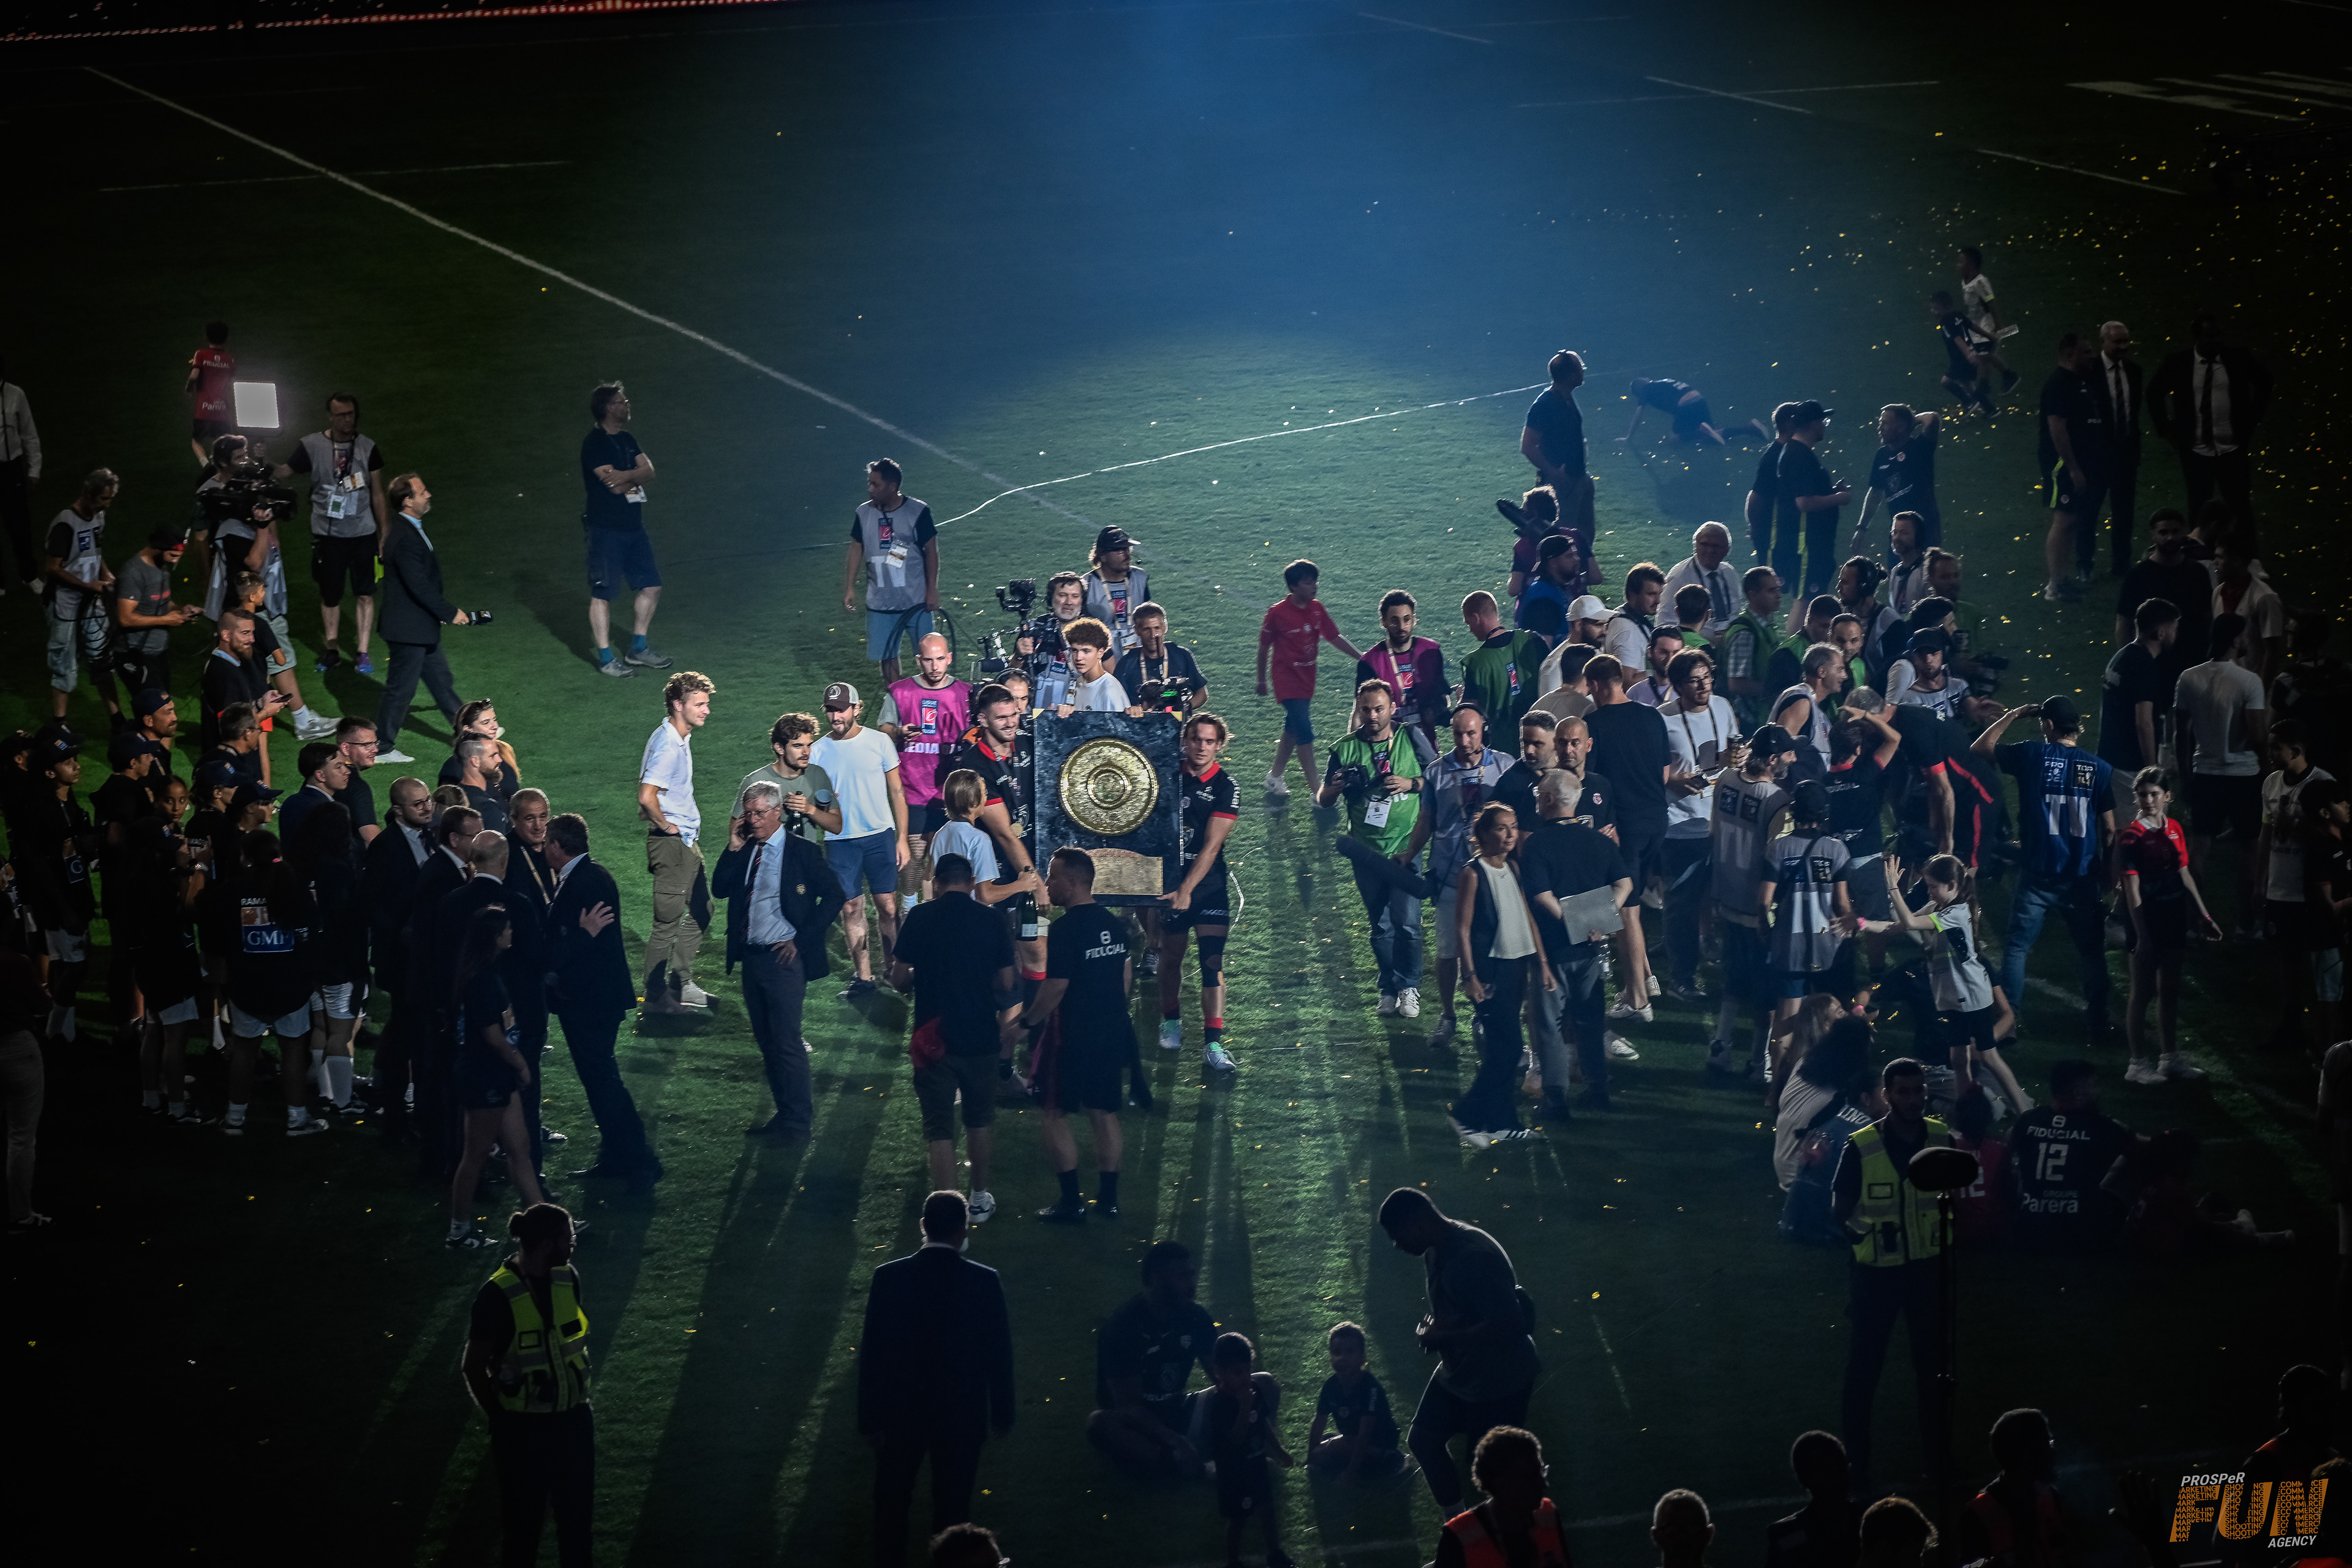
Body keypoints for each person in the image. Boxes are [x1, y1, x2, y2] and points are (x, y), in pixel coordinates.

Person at [858, 1189, 1017, 1568]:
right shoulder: (984, 1282)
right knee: (953, 1504)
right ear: (963, 1231)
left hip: (901, 1411)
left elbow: (874, 1354)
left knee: (892, 1500)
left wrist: (869, 1418)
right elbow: (999, 1353)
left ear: (923, 1226)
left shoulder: (889, 1277)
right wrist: (1003, 1412)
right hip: (961, 1412)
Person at [1829, 1057, 1952, 1501]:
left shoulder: (1941, 1139)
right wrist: (1868, 1241)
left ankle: (1936, 1465)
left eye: (1919, 1092)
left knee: (1934, 1376)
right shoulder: (1860, 1146)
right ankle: (1857, 1467)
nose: (1914, 1100)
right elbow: (1840, 1210)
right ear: (1887, 1095)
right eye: (1904, 1092)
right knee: (1863, 1375)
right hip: (1878, 1276)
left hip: (1925, 1272)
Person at [1375, 1187, 1539, 1519]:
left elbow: (1511, 1324)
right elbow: (1463, 1310)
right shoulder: (1437, 1249)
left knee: (1490, 1475)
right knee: (1423, 1441)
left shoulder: (1471, 1258)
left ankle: (1502, 1545)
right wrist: (1436, 1332)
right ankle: (1463, 1538)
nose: (1397, 1245)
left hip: (1498, 1381)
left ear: (1418, 1222)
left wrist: (1446, 1337)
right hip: (1461, 1373)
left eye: (1398, 1235)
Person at [460, 1203, 594, 1567]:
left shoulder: (568, 1278)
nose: (573, 1245)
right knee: (523, 1529)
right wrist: (500, 1418)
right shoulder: (496, 1296)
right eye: (569, 1238)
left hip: (574, 1420)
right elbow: (472, 1366)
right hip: (523, 1431)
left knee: (578, 1525)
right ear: (549, 1243)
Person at [713, 777, 846, 1142]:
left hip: (782, 961)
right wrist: (732, 846)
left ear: (777, 812)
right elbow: (720, 889)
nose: (752, 820)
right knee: (767, 1041)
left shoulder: (802, 852)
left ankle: (799, 1123)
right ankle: (785, 1115)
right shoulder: (747, 850)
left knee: (786, 1041)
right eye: (748, 813)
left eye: (758, 813)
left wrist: (801, 941)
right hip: (751, 958)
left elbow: (834, 895)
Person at [892, 848, 1023, 1210]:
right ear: (970, 883)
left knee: (939, 1128)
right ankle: (980, 1198)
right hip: (980, 1036)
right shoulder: (992, 921)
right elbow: (1006, 982)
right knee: (980, 1119)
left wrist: (927, 973)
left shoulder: (919, 917)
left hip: (933, 1038)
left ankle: (949, 1213)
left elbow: (900, 979)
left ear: (936, 883)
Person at [1977, 696, 2116, 1036]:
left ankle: (2009, 1021)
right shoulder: (2099, 768)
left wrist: (2012, 714)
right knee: (2092, 952)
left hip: (2038, 873)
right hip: (2082, 876)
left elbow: (1982, 747)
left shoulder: (2032, 755)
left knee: (2018, 947)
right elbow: (2111, 827)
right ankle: (2099, 1018)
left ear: (2049, 726)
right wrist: (2109, 871)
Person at [1012, 848, 1131, 1223]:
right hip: (1111, 1030)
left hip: (1073, 1036)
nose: (1048, 884)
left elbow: (1054, 990)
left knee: (1053, 1111)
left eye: (1052, 877)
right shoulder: (1115, 925)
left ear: (1073, 882)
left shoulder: (1064, 931)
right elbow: (1125, 978)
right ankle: (1108, 1201)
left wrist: (1027, 1024)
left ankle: (1071, 1201)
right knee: (1104, 1112)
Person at [544, 812, 661, 1190]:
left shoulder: (585, 882)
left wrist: (571, 940)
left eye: (547, 842)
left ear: (558, 847)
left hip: (590, 1002)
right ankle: (618, 1156)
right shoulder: (591, 874)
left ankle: (638, 1158)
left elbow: (586, 946)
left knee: (603, 1081)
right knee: (601, 1080)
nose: (543, 848)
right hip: (594, 999)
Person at [1876, 854, 2032, 1114]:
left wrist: (1893, 888)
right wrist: (1859, 924)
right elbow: (1899, 926)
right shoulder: (1937, 909)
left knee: (1989, 1056)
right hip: (1953, 999)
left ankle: (2024, 1110)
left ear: (1951, 885)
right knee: (1959, 1060)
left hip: (1972, 997)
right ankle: (1966, 1112)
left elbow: (1911, 923)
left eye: (1932, 886)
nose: (1929, 892)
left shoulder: (1955, 912)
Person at [202, 826, 331, 1138]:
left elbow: (210, 927)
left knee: (244, 1050)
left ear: (246, 859)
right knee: (292, 1051)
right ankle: (297, 1120)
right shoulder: (293, 884)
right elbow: (312, 931)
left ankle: (234, 1120)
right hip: (290, 987)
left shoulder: (232, 890)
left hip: (247, 987)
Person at [1523, 770, 1634, 1117]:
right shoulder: (1599, 841)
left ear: (1551, 800)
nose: (1537, 800)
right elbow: (1625, 886)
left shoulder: (1537, 844)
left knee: (1551, 1027)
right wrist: (1596, 921)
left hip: (1553, 951)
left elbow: (1542, 896)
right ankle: (1599, 1090)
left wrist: (1575, 922)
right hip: (1591, 951)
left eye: (1540, 794)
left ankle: (1556, 1100)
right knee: (1590, 1022)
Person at [1319, 680, 1431, 1019]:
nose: (1372, 715)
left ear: (1392, 708)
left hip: (1405, 847)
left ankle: (1409, 985)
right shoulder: (1345, 749)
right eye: (1366, 709)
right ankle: (1388, 987)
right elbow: (1323, 800)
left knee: (1408, 922)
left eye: (1379, 708)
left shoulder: (1412, 737)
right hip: (1366, 851)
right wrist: (1335, 788)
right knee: (1380, 925)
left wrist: (1411, 784)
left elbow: (1439, 779)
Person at [1400, 704, 1509, 1047]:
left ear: (1483, 730)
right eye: (1458, 734)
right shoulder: (1436, 772)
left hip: (1494, 876)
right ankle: (1448, 1016)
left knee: (1492, 950)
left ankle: (1484, 1015)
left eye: (1471, 733)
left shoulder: (1505, 767)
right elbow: (1426, 822)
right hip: (1450, 874)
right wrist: (1409, 854)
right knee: (1448, 951)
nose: (1464, 740)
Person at [1447, 804, 1553, 1146]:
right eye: (1501, 829)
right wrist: (1470, 976)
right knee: (1505, 1050)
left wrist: (1543, 962)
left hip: (1517, 965)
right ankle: (1466, 1115)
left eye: (1513, 827)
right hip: (1492, 969)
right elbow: (1462, 929)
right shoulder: (1473, 874)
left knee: (1506, 1050)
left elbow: (1527, 917)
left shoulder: (1514, 869)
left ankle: (1501, 1122)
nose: (1510, 835)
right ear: (1482, 835)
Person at [445, 905, 550, 1245]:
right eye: (506, 929)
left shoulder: (486, 969)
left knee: (520, 1149)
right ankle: (458, 1231)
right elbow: (492, 1036)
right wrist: (520, 1063)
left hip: (497, 1075)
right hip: (485, 1076)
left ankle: (539, 1221)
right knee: (475, 1155)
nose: (511, 933)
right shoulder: (482, 979)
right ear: (494, 937)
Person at [1149, 713, 1242, 1071]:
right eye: (1196, 740)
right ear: (1185, 741)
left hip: (1207, 888)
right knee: (1171, 957)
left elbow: (1211, 847)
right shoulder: (1166, 776)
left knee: (1212, 963)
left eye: (1209, 741)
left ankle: (1214, 1045)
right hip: (1170, 884)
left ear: (1219, 745)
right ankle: (1171, 1020)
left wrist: (1187, 889)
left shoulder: (1226, 787)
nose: (1202, 747)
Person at [1086, 1240, 1226, 1476]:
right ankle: (1187, 1466)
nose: (1192, 1286)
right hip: (1140, 1428)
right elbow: (1129, 1407)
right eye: (1182, 1277)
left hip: (1178, 1410)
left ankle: (1226, 1455)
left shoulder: (1196, 1317)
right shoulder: (1124, 1326)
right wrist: (1176, 1441)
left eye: (1192, 1275)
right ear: (1156, 1279)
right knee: (1099, 1423)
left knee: (1263, 1384)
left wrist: (1243, 1402)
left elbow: (1223, 1378)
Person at [274, 393, 386, 672]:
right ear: (330, 416)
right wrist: (262, 461)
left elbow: (378, 494)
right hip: (328, 534)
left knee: (365, 594)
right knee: (330, 594)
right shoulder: (312, 445)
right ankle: (332, 648)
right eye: (340, 415)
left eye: (350, 414)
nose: (346, 420)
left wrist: (385, 534)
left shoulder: (368, 448)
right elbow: (285, 471)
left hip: (363, 534)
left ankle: (362, 652)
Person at [813, 681, 911, 1000]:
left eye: (841, 709)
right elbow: (818, 798)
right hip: (840, 841)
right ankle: (864, 978)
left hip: (879, 836)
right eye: (830, 710)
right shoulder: (818, 750)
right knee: (851, 906)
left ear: (857, 708)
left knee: (887, 906)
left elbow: (897, 791)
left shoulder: (880, 742)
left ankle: (895, 970)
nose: (835, 716)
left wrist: (903, 839)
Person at [1711, 726, 1798, 1077]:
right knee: (1765, 991)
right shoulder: (1778, 801)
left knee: (1733, 980)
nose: (1793, 759)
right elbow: (1775, 860)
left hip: (1726, 896)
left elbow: (1716, 831)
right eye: (1789, 754)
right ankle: (1757, 1060)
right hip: (1757, 907)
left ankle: (1720, 1046)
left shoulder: (1727, 779)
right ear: (1774, 759)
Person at [2173, 613, 2267, 929]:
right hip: (2244, 776)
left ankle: (2196, 921)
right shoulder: (2250, 681)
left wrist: (2186, 775)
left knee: (2200, 847)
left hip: (2206, 773)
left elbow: (2181, 733)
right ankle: (2247, 924)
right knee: (2250, 848)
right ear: (2236, 640)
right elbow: (2256, 735)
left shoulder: (2189, 678)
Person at [1660, 650, 1743, 995]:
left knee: (1726, 899)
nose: (1704, 685)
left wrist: (1737, 758)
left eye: (1707, 676)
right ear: (1678, 686)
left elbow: (1737, 749)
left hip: (1719, 821)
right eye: (1695, 680)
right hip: (1680, 827)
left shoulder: (1722, 706)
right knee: (1682, 905)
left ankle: (1725, 962)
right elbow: (1654, 771)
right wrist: (1675, 782)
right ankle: (1682, 977)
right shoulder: (1662, 720)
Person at [374, 474, 470, 765]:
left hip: (416, 625)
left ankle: (467, 732)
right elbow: (418, 584)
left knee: (440, 680)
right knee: (401, 690)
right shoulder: (404, 535)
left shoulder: (408, 529)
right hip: (408, 629)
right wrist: (448, 611)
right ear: (408, 501)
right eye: (422, 492)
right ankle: (381, 748)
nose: (428, 495)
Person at [636, 670, 715, 1016]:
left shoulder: (674, 736)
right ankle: (656, 999)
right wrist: (666, 826)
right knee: (667, 923)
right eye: (699, 704)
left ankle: (680, 981)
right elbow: (646, 795)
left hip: (683, 839)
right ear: (677, 705)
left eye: (706, 703)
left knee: (703, 907)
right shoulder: (669, 745)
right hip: (673, 843)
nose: (706, 710)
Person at [581, 381, 669, 677]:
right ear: (608, 408)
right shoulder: (594, 444)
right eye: (621, 401)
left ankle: (637, 649)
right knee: (603, 593)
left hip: (633, 527)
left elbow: (651, 473)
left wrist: (626, 476)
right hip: (606, 529)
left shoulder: (628, 439)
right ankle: (606, 658)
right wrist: (635, 477)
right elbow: (613, 487)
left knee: (652, 585)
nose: (627, 405)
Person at [2149, 312, 2273, 524]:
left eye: (2218, 336)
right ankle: (2199, 556)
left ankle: (2248, 556)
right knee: (2198, 507)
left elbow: (2265, 381)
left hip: (2231, 448)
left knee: (2241, 507)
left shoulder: (2237, 358)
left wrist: (2252, 419)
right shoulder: (2179, 363)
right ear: (2196, 338)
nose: (2216, 341)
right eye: (2210, 337)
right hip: (2196, 450)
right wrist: (2167, 430)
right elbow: (2154, 392)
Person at [2008, 1059, 2142, 1253]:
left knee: (2013, 1167)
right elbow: (2146, 1147)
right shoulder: (2100, 1127)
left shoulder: (2028, 1121)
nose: (2098, 1092)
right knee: (2134, 1162)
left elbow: (2008, 1143)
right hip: (2081, 1235)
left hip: (2029, 1232)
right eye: (2094, 1085)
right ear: (2078, 1093)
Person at [879, 632, 972, 905]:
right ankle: (909, 905)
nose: (935, 666)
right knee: (915, 852)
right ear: (918, 660)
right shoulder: (901, 691)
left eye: (940, 659)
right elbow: (883, 728)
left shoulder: (965, 694)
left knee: (946, 854)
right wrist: (897, 731)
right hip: (913, 789)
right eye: (928, 660)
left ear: (950, 658)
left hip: (951, 791)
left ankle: (940, 907)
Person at [2258, 721, 2336, 1047]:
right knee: (2287, 959)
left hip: (2311, 888)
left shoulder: (2324, 784)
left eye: (2277, 747)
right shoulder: (2271, 784)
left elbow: (2336, 837)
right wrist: (2259, 879)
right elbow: (2265, 831)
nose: (2271, 753)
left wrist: (2300, 825)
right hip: (2280, 887)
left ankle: (2326, 1033)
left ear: (2296, 750)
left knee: (2320, 962)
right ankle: (2291, 1023)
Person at [1257, 559, 1361, 798]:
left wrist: (1361, 657)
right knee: (1305, 732)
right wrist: (1262, 680)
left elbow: (1334, 637)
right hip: (1287, 680)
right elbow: (1264, 647)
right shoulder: (1277, 613)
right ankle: (1318, 792)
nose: (1314, 586)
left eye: (1315, 581)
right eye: (1308, 582)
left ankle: (1274, 777)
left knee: (1293, 727)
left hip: (1307, 679)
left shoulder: (1317, 609)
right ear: (1294, 586)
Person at [1761, 780, 1855, 1027]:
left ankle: (1778, 1066)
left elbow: (1763, 902)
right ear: (1824, 813)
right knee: (1830, 1015)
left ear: (1794, 810)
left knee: (1787, 1020)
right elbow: (1842, 905)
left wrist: (1766, 933)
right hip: (1828, 945)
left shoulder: (1777, 849)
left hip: (1789, 944)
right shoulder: (1837, 850)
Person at [844, 458, 939, 685]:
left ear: (893, 486)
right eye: (870, 484)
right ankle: (897, 702)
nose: (870, 489)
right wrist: (849, 586)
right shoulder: (863, 513)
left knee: (929, 658)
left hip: (916, 601)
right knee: (887, 657)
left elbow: (931, 552)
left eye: (875, 485)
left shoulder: (917, 511)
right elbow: (857, 547)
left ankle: (928, 698)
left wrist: (932, 590)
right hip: (880, 604)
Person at [1204, 1333, 1295, 1568]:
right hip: (1235, 1473)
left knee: (1267, 1510)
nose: (1245, 1378)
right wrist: (1245, 1406)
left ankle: (1275, 1554)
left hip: (1256, 1466)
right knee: (1238, 1519)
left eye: (1247, 1370)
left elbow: (1262, 1423)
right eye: (1237, 1372)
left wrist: (1279, 1450)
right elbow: (1235, 1439)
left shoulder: (1252, 1389)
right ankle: (1233, 1562)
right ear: (1219, 1373)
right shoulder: (1220, 1403)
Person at [42, 468, 120, 723]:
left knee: (102, 656)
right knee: (64, 661)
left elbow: (95, 553)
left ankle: (117, 719)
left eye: (110, 500)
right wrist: (88, 586)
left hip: (91, 599)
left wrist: (107, 575)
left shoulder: (98, 517)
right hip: (64, 602)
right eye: (103, 499)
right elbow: (53, 568)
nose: (107, 506)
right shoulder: (65, 524)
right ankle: (59, 723)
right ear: (88, 494)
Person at [2037, 333, 2108, 603]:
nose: (2091, 357)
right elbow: (2057, 427)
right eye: (2086, 352)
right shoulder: (2059, 384)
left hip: (2081, 461)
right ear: (2069, 355)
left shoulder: (2080, 382)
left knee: (2074, 519)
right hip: (2062, 464)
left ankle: (2062, 580)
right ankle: (2055, 585)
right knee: (2064, 519)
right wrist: (2073, 467)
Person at [1431, 1427, 1566, 1568]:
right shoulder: (1458, 1539)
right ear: (1501, 1483)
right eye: (1530, 1477)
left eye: (1542, 1472)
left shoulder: (1548, 1514)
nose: (1543, 1484)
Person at [2099, 600, 2182, 816]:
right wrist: (2152, 771)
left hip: (2111, 758)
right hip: (2130, 766)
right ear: (2161, 633)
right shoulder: (2144, 666)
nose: (2176, 635)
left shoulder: (2122, 656)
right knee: (2141, 831)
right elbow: (2143, 723)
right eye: (2174, 629)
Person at [732, 710, 842, 850]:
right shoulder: (755, 781)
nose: (806, 752)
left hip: (805, 861)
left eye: (809, 745)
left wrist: (809, 809)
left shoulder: (817, 775)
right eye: (798, 746)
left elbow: (837, 826)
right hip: (768, 860)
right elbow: (736, 833)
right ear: (780, 748)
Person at [111, 524, 198, 700]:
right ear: (158, 549)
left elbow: (161, 600)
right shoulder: (134, 573)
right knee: (153, 709)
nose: (175, 561)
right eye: (173, 555)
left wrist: (180, 610)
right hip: (136, 654)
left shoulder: (162, 566)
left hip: (159, 652)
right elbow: (125, 618)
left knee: (164, 704)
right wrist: (166, 620)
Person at [1307, 1322, 1404, 1479]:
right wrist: (1311, 1457)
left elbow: (1365, 1433)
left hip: (1379, 1441)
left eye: (1350, 1352)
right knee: (1324, 1444)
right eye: (1337, 1352)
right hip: (1352, 1437)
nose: (1343, 1358)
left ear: (1362, 1357)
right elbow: (1319, 1421)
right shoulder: (1331, 1385)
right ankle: (1356, 1459)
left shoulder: (1370, 1387)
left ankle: (1389, 1457)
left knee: (1336, 1446)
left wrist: (1349, 1474)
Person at [1773, 401, 1850, 598]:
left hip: (1810, 540)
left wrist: (1832, 492)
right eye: (1823, 421)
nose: (1825, 425)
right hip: (1808, 543)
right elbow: (1804, 503)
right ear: (1814, 423)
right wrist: (1839, 498)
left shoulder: (1796, 451)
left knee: (1809, 598)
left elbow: (1801, 493)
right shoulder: (1800, 456)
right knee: (1806, 599)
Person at [1356, 589, 1450, 745]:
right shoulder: (1370, 662)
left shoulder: (1431, 652)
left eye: (1407, 619)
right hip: (1388, 744)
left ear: (1414, 620)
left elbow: (1441, 696)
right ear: (1384, 622)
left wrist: (1437, 710)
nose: (1402, 626)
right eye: (1394, 620)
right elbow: (1360, 712)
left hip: (1426, 742)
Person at [1522, 350, 1594, 539]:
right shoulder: (1544, 405)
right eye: (1581, 369)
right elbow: (1528, 446)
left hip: (1579, 478)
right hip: (1562, 485)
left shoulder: (1566, 397)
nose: (1583, 372)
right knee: (1564, 538)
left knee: (1585, 537)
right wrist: (1553, 472)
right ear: (1570, 375)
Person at [1853, 405, 1941, 553]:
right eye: (1880, 423)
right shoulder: (1881, 456)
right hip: (1898, 532)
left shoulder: (1920, 448)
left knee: (1926, 574)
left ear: (1900, 426)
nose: (1880, 428)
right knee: (1896, 573)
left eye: (1885, 423)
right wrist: (1862, 527)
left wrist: (1912, 422)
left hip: (1925, 531)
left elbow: (1932, 418)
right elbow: (1875, 494)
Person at [1765, 1431, 1860, 1568]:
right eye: (1828, 1474)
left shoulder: (1787, 1537)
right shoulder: (1871, 1520)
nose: (1838, 1480)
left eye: (1840, 1470)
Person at [1461, 592, 1551, 733]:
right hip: (1541, 734)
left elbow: (1470, 711)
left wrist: (1461, 702)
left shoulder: (1475, 663)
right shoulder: (1533, 641)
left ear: (1476, 618)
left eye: (1469, 623)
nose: (1470, 630)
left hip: (1503, 744)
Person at [2214, 532, 2286, 686]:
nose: (2215, 562)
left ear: (2237, 560)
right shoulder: (2218, 593)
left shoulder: (2264, 597)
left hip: (2252, 684)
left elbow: (2272, 651)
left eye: (2221, 557)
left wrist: (2258, 694)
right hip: (2225, 686)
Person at [1116, 601, 1209, 717]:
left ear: (1165, 627)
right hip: (1140, 726)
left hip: (1177, 724)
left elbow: (1202, 694)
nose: (1153, 635)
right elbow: (1116, 701)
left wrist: (1185, 707)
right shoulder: (1127, 663)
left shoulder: (1181, 656)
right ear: (1137, 631)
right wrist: (1133, 709)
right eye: (1147, 629)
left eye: (1157, 628)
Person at [1621, 374, 1768, 447]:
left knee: (1674, 438)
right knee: (1715, 434)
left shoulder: (1646, 390)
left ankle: (1701, 431)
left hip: (1685, 406)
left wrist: (1629, 437)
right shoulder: (1664, 382)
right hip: (1699, 400)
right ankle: (1751, 429)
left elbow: (1638, 415)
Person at [1721, 567, 1785, 731]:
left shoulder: (1765, 626)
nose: (1778, 595)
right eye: (1771, 591)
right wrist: (1775, 692)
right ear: (1752, 595)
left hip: (1761, 715)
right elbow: (1736, 684)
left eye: (1778, 589)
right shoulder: (1745, 633)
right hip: (1748, 721)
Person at [0, 355, 41, 594]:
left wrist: (34, 468)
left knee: (20, 526)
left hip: (11, 468)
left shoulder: (16, 395)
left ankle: (29, 575)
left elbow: (29, 433)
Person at [1956, 246, 2021, 395]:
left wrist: (1997, 325)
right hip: (1976, 327)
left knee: (1984, 356)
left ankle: (2008, 375)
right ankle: (1983, 387)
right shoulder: (1966, 282)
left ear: (1971, 263)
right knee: (1981, 359)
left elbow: (1991, 302)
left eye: (1961, 262)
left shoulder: (1980, 282)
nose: (1958, 265)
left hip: (1986, 325)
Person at [1661, 522, 1742, 640]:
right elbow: (1665, 623)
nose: (1710, 551)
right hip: (1696, 648)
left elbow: (1737, 610)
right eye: (1704, 545)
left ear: (1726, 550)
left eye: (1716, 546)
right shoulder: (1680, 576)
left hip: (1732, 642)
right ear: (1696, 547)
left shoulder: (1730, 574)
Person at [1080, 526, 1149, 655]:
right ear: (1103, 556)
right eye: (1120, 551)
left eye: (1128, 549)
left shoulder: (1140, 578)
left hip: (1138, 655)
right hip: (1103, 659)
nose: (1128, 556)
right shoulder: (1086, 584)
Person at [1052, 619, 1128, 715]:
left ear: (1100, 653)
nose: (1079, 657)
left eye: (1086, 651)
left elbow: (1121, 729)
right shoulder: (1080, 682)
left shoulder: (1110, 691)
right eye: (1075, 650)